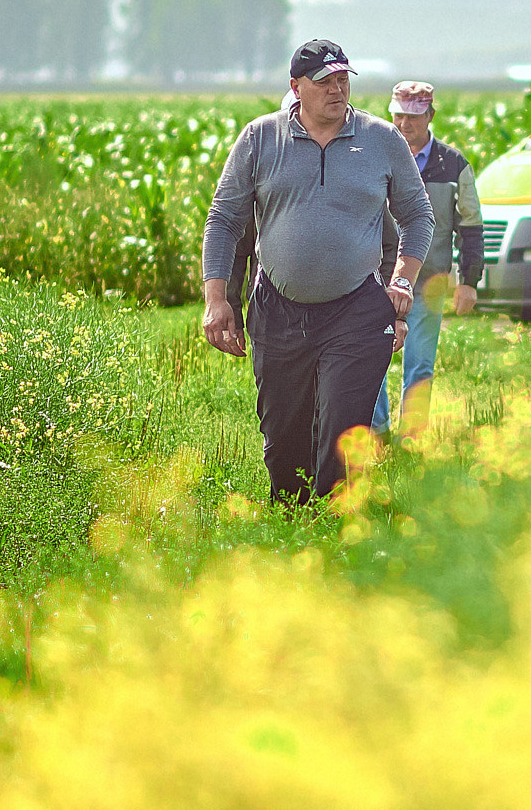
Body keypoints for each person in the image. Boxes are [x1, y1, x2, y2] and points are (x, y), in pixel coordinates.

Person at [200, 38, 432, 505]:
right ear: (296, 87)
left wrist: (402, 279)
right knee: (284, 437)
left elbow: (417, 215)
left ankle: (336, 531)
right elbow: (224, 220)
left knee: (345, 430)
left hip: (357, 311)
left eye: (343, 79)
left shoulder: (381, 140)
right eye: (324, 81)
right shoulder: (260, 138)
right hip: (278, 311)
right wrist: (216, 299)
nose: (337, 89)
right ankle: (290, 528)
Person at [370, 81, 483, 437]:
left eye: (413, 117)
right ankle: (379, 434)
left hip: (429, 282)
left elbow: (471, 225)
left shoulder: (453, 166)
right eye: (399, 116)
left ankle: (412, 439)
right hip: (377, 281)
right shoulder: (374, 158)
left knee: (419, 366)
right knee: (372, 362)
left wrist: (469, 281)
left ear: (431, 116)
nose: (405, 124)